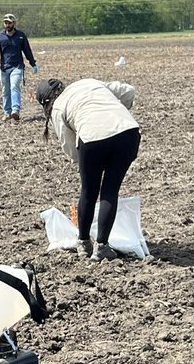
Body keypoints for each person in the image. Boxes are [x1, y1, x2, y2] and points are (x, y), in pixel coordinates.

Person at [35, 78, 140, 261]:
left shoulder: (58, 107)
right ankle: (102, 247)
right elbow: (129, 91)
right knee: (110, 191)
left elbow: (69, 147)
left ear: (47, 102)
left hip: (92, 139)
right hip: (127, 133)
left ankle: (83, 243)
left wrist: (87, 163)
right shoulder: (90, 82)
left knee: (89, 192)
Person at [0, 13, 38, 122]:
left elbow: (27, 51)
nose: (7, 24)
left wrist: (33, 63)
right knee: (5, 90)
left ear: (14, 23)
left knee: (14, 86)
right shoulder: (0, 36)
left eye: (9, 22)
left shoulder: (21, 36)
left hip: (17, 67)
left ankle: (15, 110)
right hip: (4, 68)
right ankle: (7, 112)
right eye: (6, 22)